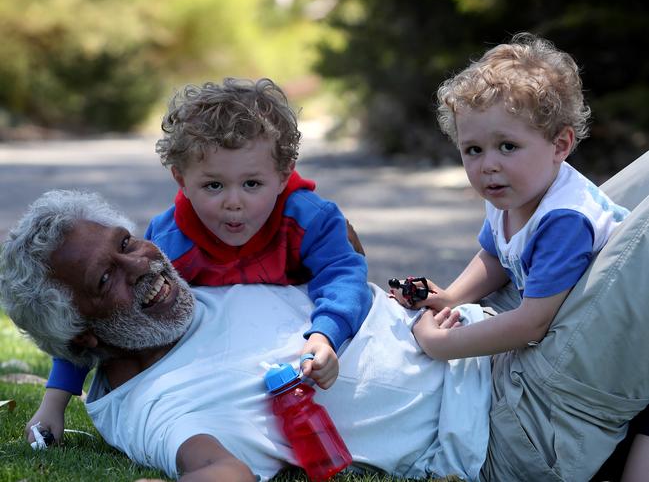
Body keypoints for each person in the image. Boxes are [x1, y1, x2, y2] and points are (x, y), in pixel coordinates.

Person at [0, 190, 492, 482]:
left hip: (474, 330)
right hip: (496, 416)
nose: (142, 266)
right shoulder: (155, 408)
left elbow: (339, 243)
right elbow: (224, 473)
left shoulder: (187, 277)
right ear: (84, 335)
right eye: (106, 280)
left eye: (126, 243)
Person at [30, 78, 373, 443]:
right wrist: (54, 403)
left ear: (284, 174)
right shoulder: (170, 240)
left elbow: (343, 275)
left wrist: (326, 333)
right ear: (181, 179)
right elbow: (107, 318)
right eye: (214, 185)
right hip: (228, 365)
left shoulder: (310, 219)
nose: (234, 202)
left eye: (252, 184)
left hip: (304, 344)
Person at [390, 33, 629, 361]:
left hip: (602, 351)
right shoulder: (513, 192)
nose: (488, 165)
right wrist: (451, 298)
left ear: (560, 145)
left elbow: (532, 325)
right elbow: (496, 256)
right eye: (473, 150)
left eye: (508, 146)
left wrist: (439, 345)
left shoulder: (565, 219)